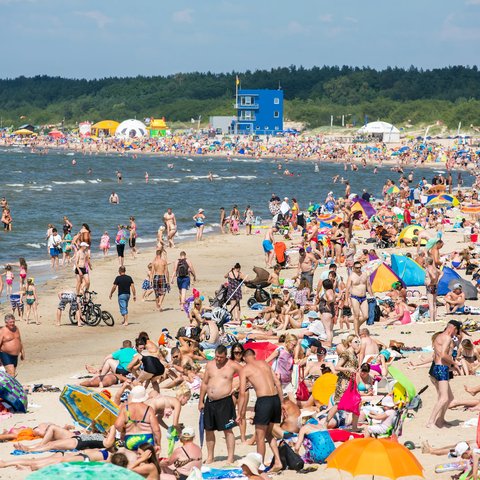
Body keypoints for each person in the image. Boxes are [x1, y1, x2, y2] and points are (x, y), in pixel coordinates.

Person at [237, 349, 283, 471]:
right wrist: (282, 403)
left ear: (244, 358)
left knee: (260, 436)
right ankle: (278, 461)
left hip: (264, 401)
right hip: (275, 400)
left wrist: (240, 413)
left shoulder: (245, 369)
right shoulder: (265, 363)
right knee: (269, 433)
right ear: (254, 355)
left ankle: (260, 467)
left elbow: (242, 393)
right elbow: (277, 383)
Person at [198, 345, 241, 464]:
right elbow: (205, 383)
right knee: (208, 429)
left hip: (224, 401)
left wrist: (238, 387)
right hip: (210, 401)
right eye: (216, 357)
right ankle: (210, 456)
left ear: (225, 356)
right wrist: (201, 400)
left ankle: (230, 457)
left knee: (227, 430)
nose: (218, 359)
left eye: (221, 357)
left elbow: (246, 374)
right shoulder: (210, 364)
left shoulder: (232, 365)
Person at [427, 321, 463, 428]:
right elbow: (443, 355)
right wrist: (455, 363)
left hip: (438, 367)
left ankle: (440, 420)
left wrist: (451, 367)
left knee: (448, 397)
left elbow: (436, 355)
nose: (456, 334)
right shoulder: (447, 338)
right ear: (453, 329)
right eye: (456, 331)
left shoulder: (439, 337)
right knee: (444, 398)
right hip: (441, 369)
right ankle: (430, 422)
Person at [326, 335, 361, 431]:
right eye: (356, 342)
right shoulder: (346, 353)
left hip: (351, 383)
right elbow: (337, 367)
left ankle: (354, 427)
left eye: (358, 342)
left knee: (357, 403)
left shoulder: (354, 354)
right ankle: (326, 423)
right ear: (350, 343)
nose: (358, 344)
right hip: (343, 382)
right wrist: (348, 369)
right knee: (338, 404)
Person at [114, 385, 161, 451]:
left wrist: (123, 432)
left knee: (133, 459)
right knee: (147, 459)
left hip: (130, 439)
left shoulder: (125, 408)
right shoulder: (148, 409)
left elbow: (117, 425)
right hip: (146, 438)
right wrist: (158, 443)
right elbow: (156, 429)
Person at [346, 261, 374, 335]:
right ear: (354, 268)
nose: (359, 269)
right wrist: (346, 300)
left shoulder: (364, 274)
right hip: (355, 297)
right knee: (356, 315)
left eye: (360, 267)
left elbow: (368, 285)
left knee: (366, 316)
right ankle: (356, 333)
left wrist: (372, 295)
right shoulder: (351, 276)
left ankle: (356, 326)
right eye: (357, 268)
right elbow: (347, 289)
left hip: (364, 297)